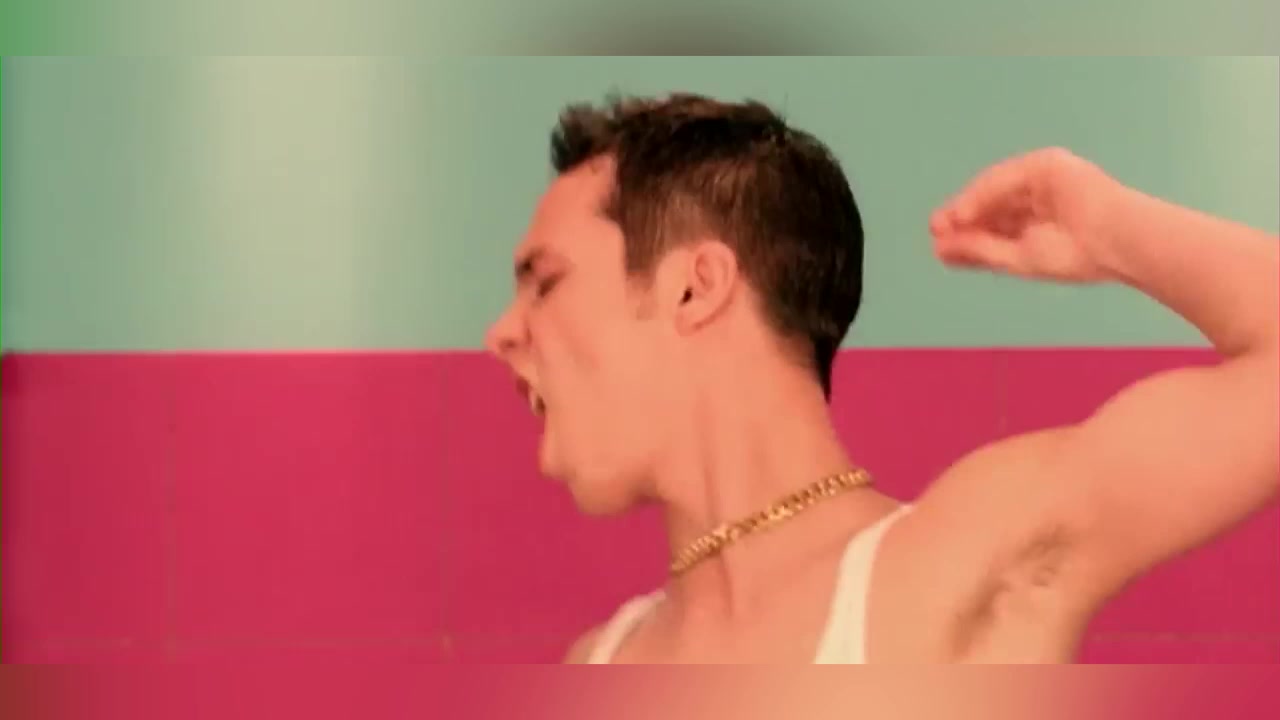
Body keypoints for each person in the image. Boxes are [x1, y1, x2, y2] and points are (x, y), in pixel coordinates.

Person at [484, 93, 1279, 663]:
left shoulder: (960, 570)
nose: (502, 333)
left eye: (544, 282)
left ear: (695, 288)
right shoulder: (603, 663)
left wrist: (1112, 230)